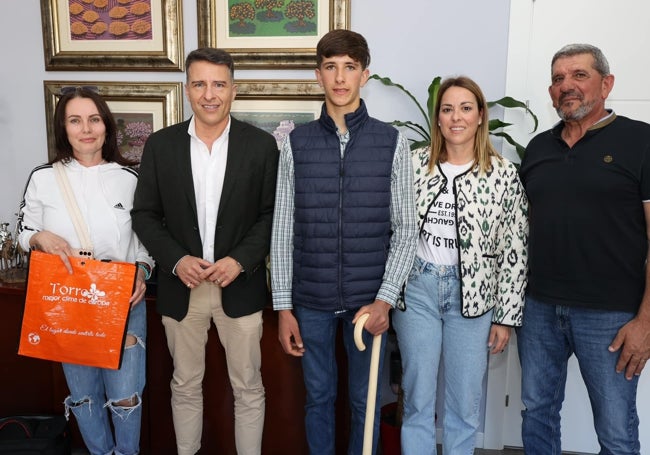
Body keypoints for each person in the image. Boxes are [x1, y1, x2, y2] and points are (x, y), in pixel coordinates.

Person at [270, 29, 418, 455]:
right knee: (318, 399)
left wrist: (385, 301)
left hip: (367, 303)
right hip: (311, 301)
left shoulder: (392, 142)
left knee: (364, 402)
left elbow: (406, 229)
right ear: (318, 75)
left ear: (364, 75)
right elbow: (282, 229)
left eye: (349, 68)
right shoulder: (295, 144)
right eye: (331, 68)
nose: (340, 78)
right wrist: (284, 308)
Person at [131, 47, 278, 455]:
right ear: (187, 89)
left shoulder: (262, 146)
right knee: (184, 384)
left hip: (241, 285)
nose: (209, 94)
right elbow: (144, 214)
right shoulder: (161, 146)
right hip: (183, 289)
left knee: (248, 386)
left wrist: (240, 259)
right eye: (199, 83)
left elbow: (272, 216)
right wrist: (176, 261)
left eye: (218, 84)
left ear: (233, 90)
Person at [518, 43, 650, 455]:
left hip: (610, 315)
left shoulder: (641, 141)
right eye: (558, 79)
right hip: (538, 309)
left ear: (606, 84)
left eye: (579, 75)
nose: (566, 86)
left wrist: (645, 321)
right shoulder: (538, 148)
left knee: (615, 429)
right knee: (537, 412)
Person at [391, 76, 529, 454]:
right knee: (418, 397)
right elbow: (393, 229)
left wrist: (505, 316)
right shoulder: (413, 165)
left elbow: (515, 249)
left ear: (481, 116)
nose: (456, 117)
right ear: (437, 119)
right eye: (448, 109)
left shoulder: (503, 175)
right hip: (418, 290)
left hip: (474, 300)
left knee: (464, 402)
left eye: (466, 108)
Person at [17, 86, 153, 455]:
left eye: (94, 119)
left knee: (126, 396)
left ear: (106, 125)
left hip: (121, 301)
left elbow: (145, 242)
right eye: (75, 120)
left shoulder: (129, 177)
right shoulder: (43, 178)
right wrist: (39, 236)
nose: (86, 128)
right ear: (64, 128)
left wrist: (142, 268)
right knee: (84, 396)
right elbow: (22, 234)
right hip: (69, 299)